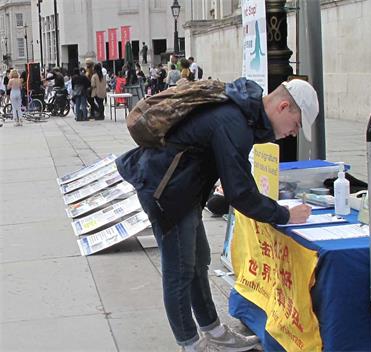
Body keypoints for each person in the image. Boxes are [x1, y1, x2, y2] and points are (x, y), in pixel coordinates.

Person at [115, 77, 319, 351]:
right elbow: (240, 193)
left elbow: (238, 180)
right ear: (283, 107)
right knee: (180, 270)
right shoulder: (235, 122)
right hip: (165, 192)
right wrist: (283, 214)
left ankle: (213, 330)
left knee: (198, 262)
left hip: (180, 190)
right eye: (296, 125)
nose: (293, 133)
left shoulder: (242, 115)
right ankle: (189, 343)